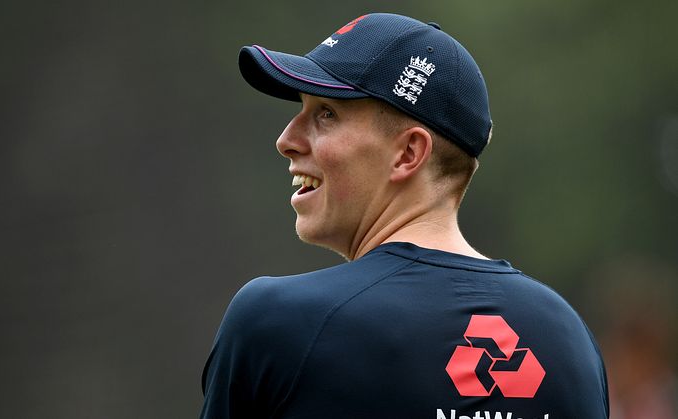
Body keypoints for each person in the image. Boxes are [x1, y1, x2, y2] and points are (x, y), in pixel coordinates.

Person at [200, 13, 609, 418]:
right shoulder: (570, 341)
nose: (286, 140)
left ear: (408, 153)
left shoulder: (276, 324)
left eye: (326, 113)